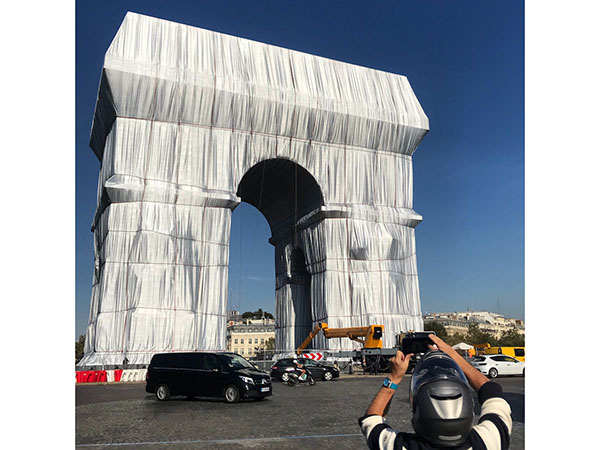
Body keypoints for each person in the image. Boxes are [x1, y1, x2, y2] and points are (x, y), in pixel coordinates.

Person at [359, 334, 512, 450]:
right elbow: (491, 391)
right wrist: (453, 355)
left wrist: (394, 377)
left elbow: (371, 419)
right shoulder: (490, 441)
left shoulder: (399, 446)